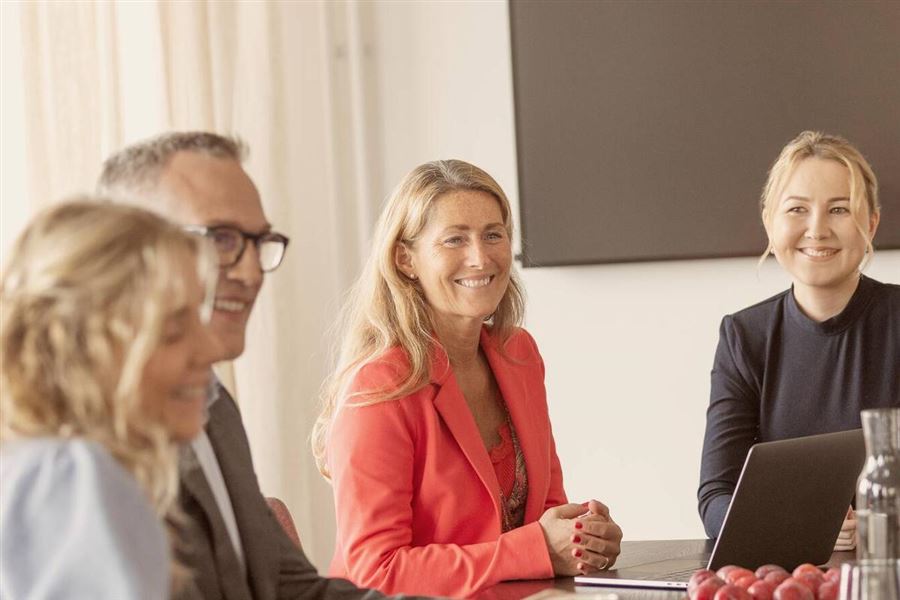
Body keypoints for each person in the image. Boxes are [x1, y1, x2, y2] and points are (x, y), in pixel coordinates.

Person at [98, 131, 403, 600]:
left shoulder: (213, 401)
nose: (250, 272)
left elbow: (289, 587)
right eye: (220, 239)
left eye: (258, 241)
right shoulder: (77, 436)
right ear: (127, 248)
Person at [312, 159, 623, 597]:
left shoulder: (519, 353)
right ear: (406, 259)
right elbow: (375, 572)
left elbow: (546, 512)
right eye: (454, 239)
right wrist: (534, 548)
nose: (480, 257)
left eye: (493, 235)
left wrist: (581, 538)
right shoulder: (381, 385)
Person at [0, 201, 220, 598]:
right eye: (173, 328)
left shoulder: (29, 471)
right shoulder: (69, 479)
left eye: (199, 319)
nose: (209, 348)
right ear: (82, 348)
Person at [698, 131, 900, 546]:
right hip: (790, 574)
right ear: (770, 223)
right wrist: (801, 527)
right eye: (797, 209)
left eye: (840, 209)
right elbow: (716, 497)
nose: (817, 229)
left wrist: (883, 527)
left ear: (871, 223)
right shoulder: (743, 336)